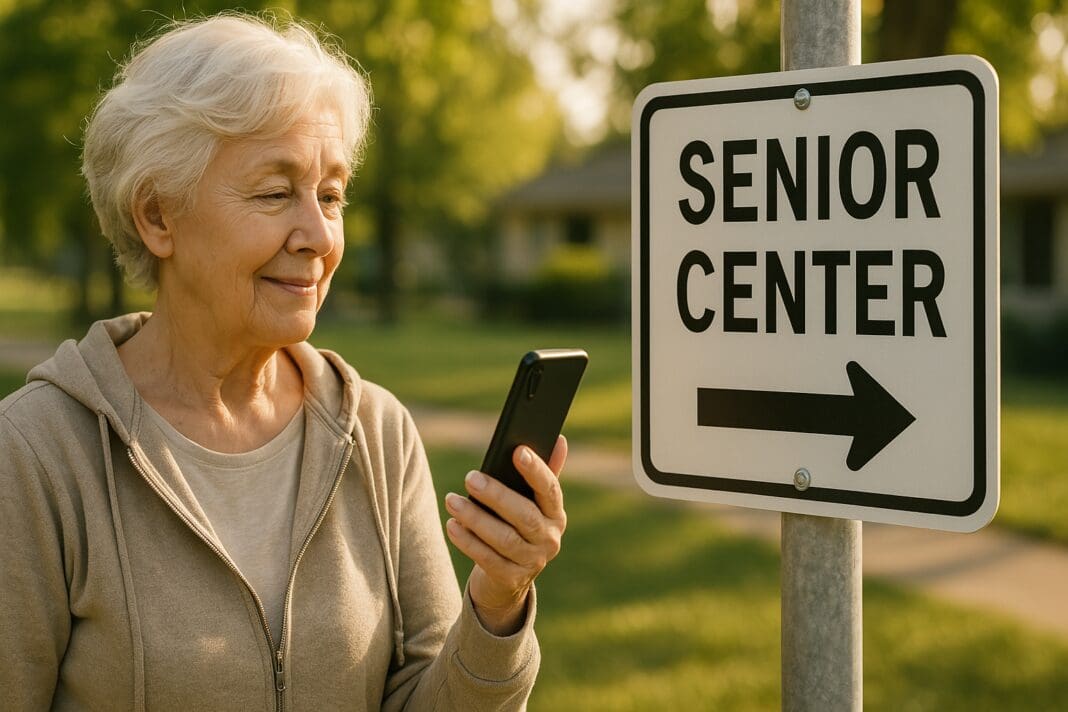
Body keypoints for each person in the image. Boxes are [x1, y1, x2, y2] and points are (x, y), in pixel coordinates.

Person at [0, 13, 568, 711]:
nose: (320, 236)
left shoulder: (378, 434)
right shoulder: (33, 454)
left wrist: (497, 601)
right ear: (156, 216)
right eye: (275, 194)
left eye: (331, 195)